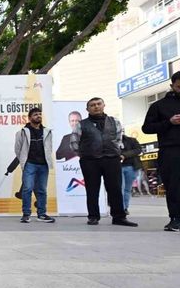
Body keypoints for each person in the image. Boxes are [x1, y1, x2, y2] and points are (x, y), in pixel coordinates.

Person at [71, 97, 138, 227]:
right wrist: (85, 155)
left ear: (104, 105)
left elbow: (118, 140)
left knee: (115, 189)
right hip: (89, 161)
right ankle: (93, 217)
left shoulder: (115, 121)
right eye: (92, 105)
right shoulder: (81, 124)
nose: (96, 106)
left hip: (111, 159)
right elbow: (74, 143)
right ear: (87, 109)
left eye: (98, 104)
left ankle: (119, 217)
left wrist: (115, 152)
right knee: (92, 189)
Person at [142, 71, 180, 231]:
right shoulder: (159, 106)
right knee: (174, 186)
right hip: (171, 151)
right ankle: (175, 218)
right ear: (172, 86)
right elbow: (147, 128)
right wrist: (169, 122)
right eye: (179, 86)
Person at [14, 108, 56, 223]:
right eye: (35, 114)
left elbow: (49, 148)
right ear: (30, 117)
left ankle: (41, 214)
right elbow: (18, 149)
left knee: (42, 190)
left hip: (43, 165)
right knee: (27, 189)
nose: (38, 116)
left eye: (40, 114)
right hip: (30, 164)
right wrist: (24, 161)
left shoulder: (47, 131)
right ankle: (26, 214)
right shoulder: (22, 132)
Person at [120, 134, 142, 215]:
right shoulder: (111, 141)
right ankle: (120, 208)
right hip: (117, 167)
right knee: (120, 189)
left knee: (127, 189)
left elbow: (138, 150)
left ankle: (125, 207)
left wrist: (124, 155)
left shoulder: (131, 140)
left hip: (131, 167)